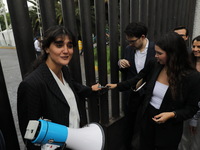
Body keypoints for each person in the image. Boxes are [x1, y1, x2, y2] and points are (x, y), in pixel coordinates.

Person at [107, 32, 200, 150]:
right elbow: (137, 78)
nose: (155, 56)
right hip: (147, 120)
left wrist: (172, 114)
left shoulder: (192, 77)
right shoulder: (154, 64)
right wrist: (117, 85)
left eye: (159, 53)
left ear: (173, 54)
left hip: (169, 127)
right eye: (156, 52)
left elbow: (191, 108)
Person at [17, 26, 101, 150]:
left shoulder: (64, 71)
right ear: (46, 48)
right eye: (59, 45)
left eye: (70, 45)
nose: (66, 50)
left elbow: (71, 88)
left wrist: (91, 90)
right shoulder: (31, 84)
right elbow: (30, 134)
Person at [118, 22, 155, 149]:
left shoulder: (156, 49)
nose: (130, 44)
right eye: (128, 41)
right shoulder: (129, 49)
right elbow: (127, 71)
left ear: (143, 37)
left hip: (150, 95)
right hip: (132, 94)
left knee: (145, 126)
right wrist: (121, 63)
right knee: (129, 124)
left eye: (133, 41)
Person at [178, 35, 200, 150]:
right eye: (194, 46)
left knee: (197, 141)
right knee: (184, 138)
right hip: (187, 108)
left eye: (198, 46)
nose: (195, 49)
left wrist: (195, 118)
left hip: (198, 111)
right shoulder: (187, 62)